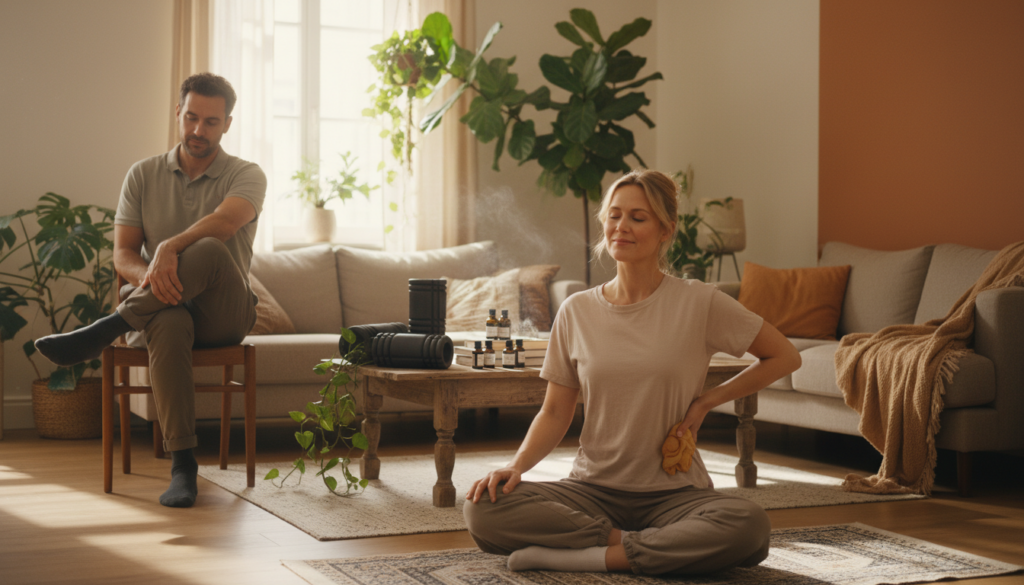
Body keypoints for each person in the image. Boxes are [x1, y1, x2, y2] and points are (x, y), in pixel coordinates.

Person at [463, 169, 801, 575]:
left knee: (749, 526)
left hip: (676, 495)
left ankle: (587, 556)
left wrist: (709, 400)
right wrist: (516, 467)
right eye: (614, 216)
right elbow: (555, 412)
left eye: (638, 218)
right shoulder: (576, 311)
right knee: (483, 508)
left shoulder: (699, 302)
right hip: (591, 491)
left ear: (665, 230)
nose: (621, 227)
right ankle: (633, 549)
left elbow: (784, 356)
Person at [35, 73, 266, 509]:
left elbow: (226, 222)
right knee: (171, 317)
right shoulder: (142, 175)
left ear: (228, 124)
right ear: (178, 113)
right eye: (192, 117)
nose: (199, 130)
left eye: (211, 122)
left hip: (225, 314)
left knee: (212, 248)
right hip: (160, 310)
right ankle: (183, 466)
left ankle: (107, 328)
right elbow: (122, 254)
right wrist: (154, 278)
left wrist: (169, 247)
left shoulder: (247, 174)